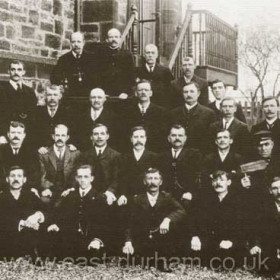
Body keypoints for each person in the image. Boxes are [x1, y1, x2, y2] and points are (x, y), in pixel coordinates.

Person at [122, 168, 186, 270]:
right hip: (143, 239)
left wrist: (167, 219)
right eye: (149, 178)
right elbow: (129, 222)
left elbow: (181, 211)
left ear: (161, 182)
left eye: (156, 178)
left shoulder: (167, 197)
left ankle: (162, 259)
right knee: (134, 259)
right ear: (144, 181)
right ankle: (146, 258)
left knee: (166, 248)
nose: (153, 182)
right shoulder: (136, 199)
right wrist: (128, 241)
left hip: (161, 238)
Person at [47, 165, 109, 260]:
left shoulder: (99, 198)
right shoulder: (70, 196)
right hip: (71, 238)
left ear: (91, 178)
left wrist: (97, 239)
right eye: (80, 177)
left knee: (91, 258)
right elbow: (62, 216)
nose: (82, 180)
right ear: (76, 178)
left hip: (90, 239)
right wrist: (56, 224)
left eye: (86, 177)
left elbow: (104, 223)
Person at [190, 170, 245, 268]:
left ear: (229, 182)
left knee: (229, 259)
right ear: (212, 183)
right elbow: (195, 221)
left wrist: (232, 241)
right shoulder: (205, 200)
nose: (218, 183)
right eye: (215, 180)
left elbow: (242, 227)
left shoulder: (238, 201)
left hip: (229, 241)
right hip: (210, 240)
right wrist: (195, 236)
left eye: (222, 180)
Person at [0, 166, 45, 259]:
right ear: (7, 179)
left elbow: (46, 210)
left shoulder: (31, 195)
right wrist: (22, 223)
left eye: (19, 176)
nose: (16, 179)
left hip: (28, 236)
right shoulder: (2, 197)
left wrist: (38, 215)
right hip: (7, 237)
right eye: (12, 176)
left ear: (24, 179)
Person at [158, 125, 202, 209]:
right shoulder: (161, 156)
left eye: (180, 135)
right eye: (174, 135)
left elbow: (198, 176)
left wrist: (191, 193)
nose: (177, 138)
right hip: (165, 197)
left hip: (186, 197)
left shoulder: (194, 155)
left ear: (185, 138)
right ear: (169, 138)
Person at [79, 123, 121, 206]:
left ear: (107, 136)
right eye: (96, 134)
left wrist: (110, 191)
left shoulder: (116, 155)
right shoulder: (85, 155)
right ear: (91, 137)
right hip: (89, 193)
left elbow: (117, 178)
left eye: (102, 134)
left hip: (108, 194)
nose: (99, 137)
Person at [39, 124, 80, 205]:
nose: (60, 138)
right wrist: (47, 188)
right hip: (51, 189)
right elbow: (42, 175)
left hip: (68, 189)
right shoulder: (44, 154)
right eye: (57, 135)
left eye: (63, 135)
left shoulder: (75, 153)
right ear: (53, 136)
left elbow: (76, 174)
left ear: (67, 137)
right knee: (44, 201)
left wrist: (71, 189)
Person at [50, 32, 99, 100]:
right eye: (73, 42)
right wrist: (60, 88)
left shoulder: (91, 58)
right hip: (70, 98)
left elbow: (97, 79)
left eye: (79, 42)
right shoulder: (63, 59)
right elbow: (54, 78)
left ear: (83, 43)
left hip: (88, 98)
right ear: (70, 43)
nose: (76, 44)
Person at [168, 82, 215, 152]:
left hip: (200, 155)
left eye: (192, 91)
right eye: (185, 92)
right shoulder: (173, 113)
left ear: (198, 94)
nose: (188, 94)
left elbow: (210, 139)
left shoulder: (208, 113)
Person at [248, 176, 280, 275]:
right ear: (270, 191)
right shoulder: (264, 208)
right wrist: (256, 245)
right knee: (266, 266)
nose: (279, 191)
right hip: (272, 247)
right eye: (275, 188)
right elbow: (258, 229)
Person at [118, 126, 158, 205]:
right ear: (131, 139)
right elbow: (121, 178)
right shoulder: (123, 157)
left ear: (145, 139)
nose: (138, 140)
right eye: (135, 137)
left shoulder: (154, 157)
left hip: (148, 198)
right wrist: (122, 194)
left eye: (141, 137)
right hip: (128, 198)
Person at [124, 79, 167, 152]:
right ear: (136, 93)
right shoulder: (127, 112)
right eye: (140, 90)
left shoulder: (161, 112)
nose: (143, 92)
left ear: (151, 93)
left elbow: (162, 136)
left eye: (146, 90)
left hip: (155, 152)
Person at [0, 60, 37, 141]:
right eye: (13, 69)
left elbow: (33, 116)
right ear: (8, 71)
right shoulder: (1, 88)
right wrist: (1, 135)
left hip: (23, 136)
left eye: (19, 69)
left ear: (23, 72)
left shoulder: (30, 91)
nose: (16, 72)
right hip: (5, 136)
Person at [0, 121, 39, 188]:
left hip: (26, 188)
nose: (16, 135)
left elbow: (34, 174)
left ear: (24, 135)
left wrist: (30, 188)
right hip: (4, 189)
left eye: (19, 133)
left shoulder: (31, 151)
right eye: (13, 132)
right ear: (8, 134)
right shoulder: (1, 150)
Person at [32, 84, 73, 148]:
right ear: (45, 96)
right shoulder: (37, 112)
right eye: (49, 95)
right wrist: (38, 147)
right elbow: (32, 133)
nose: (52, 98)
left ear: (60, 96)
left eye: (55, 95)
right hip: (42, 151)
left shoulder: (68, 113)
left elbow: (73, 133)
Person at [135, 44, 174, 108]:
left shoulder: (165, 71)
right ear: (144, 55)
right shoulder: (137, 71)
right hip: (143, 106)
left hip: (161, 106)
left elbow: (170, 91)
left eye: (153, 53)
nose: (150, 55)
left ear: (156, 55)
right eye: (148, 53)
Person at [99, 28, 134, 98]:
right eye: (111, 37)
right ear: (107, 39)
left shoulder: (127, 55)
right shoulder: (101, 54)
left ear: (120, 38)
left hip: (122, 93)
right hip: (105, 93)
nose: (113, 39)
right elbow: (98, 75)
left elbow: (130, 75)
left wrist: (126, 92)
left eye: (116, 37)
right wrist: (101, 92)